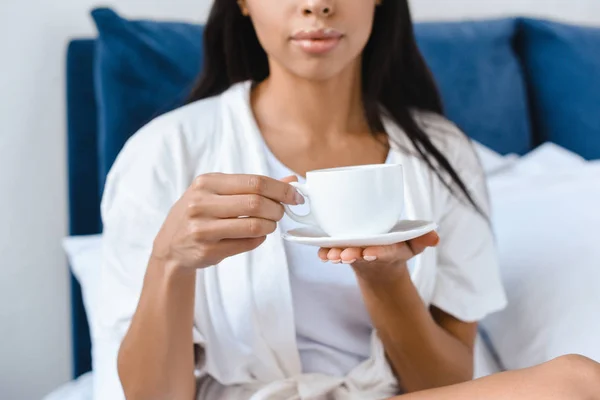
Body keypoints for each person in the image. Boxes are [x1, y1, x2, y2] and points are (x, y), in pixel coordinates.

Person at [95, 0, 600, 399]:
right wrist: (171, 262)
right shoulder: (167, 150)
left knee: (579, 382)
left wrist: (385, 278)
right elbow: (151, 397)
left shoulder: (442, 152)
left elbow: (444, 386)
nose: (317, 5)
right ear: (243, 2)